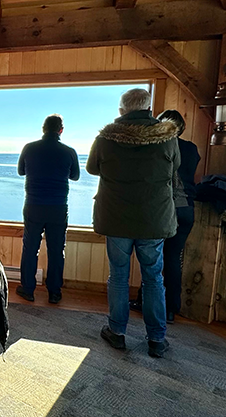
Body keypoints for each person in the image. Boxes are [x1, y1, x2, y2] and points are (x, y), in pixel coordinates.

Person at [86, 88, 179, 358]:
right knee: (153, 278)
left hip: (116, 218)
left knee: (118, 276)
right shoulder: (167, 137)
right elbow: (174, 169)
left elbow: (92, 168)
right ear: (149, 108)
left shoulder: (106, 138)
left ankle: (117, 332)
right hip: (154, 218)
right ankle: (157, 339)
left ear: (122, 110)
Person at [130, 109, 201, 323]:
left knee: (151, 257)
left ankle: (145, 303)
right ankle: (171, 308)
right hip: (187, 209)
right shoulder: (192, 149)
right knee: (172, 258)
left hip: (163, 208)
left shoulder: (156, 146)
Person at [15, 114, 81, 304]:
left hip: (34, 205)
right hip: (58, 207)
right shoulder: (69, 152)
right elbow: (75, 176)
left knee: (30, 248)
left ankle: (28, 289)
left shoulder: (29, 148)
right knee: (56, 250)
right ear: (61, 130)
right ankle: (54, 292)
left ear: (43, 129)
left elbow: (21, 171)